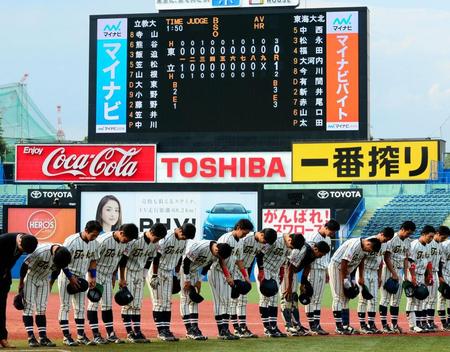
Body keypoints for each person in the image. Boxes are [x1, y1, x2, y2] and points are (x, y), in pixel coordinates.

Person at [86, 223, 138, 344]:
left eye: (130, 240)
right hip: (96, 274)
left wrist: (116, 276)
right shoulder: (102, 241)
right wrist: (91, 276)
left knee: (107, 306)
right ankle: (95, 335)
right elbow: (91, 259)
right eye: (127, 238)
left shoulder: (126, 243)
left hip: (108, 276)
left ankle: (110, 334)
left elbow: (119, 260)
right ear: (121, 233)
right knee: (93, 303)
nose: (128, 241)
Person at [118, 223, 167, 343]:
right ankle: (129, 332)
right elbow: (123, 260)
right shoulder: (135, 241)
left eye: (160, 239)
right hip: (128, 272)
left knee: (137, 304)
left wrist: (145, 275)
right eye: (157, 237)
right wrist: (122, 278)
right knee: (127, 303)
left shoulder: (154, 245)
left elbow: (149, 260)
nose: (157, 240)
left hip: (140, 274)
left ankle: (137, 331)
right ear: (150, 232)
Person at [148, 223, 196, 341]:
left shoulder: (184, 240)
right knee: (159, 302)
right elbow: (156, 258)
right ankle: (161, 331)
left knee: (167, 302)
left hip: (169, 272)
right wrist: (154, 275)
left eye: (187, 238)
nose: (184, 239)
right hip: (157, 271)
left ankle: (166, 330)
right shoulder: (165, 238)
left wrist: (177, 272)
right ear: (179, 230)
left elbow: (180, 256)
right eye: (184, 236)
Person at [58, 220, 102, 346]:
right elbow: (61, 260)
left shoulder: (95, 243)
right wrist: (70, 277)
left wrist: (92, 276)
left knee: (80, 307)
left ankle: (81, 336)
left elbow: (93, 260)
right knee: (65, 306)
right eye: (93, 234)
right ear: (86, 230)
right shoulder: (71, 241)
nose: (95, 237)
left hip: (82, 277)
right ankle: (66, 336)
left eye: (97, 235)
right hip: (67, 275)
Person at [209, 219, 254, 340]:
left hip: (229, 274)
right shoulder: (226, 238)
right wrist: (228, 276)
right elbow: (220, 259)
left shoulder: (240, 242)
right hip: (218, 272)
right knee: (221, 302)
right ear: (238, 227)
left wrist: (246, 277)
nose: (245, 235)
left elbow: (239, 261)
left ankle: (225, 330)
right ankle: (222, 331)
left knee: (227, 302)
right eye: (244, 232)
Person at [20, 244, 72, 347]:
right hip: (31, 278)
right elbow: (24, 265)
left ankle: (43, 337)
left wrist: (51, 282)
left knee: (41, 309)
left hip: (44, 280)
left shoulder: (63, 253)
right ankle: (31, 337)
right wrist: (21, 282)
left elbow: (58, 269)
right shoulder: (40, 251)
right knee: (28, 307)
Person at [255, 233, 305, 337]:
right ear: (290, 240)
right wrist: (261, 271)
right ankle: (267, 328)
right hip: (264, 269)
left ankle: (273, 327)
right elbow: (259, 254)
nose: (292, 249)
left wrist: (281, 273)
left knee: (274, 300)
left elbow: (284, 261)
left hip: (275, 271)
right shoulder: (275, 241)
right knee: (265, 298)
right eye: (292, 246)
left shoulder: (290, 246)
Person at [328, 236, 381, 335]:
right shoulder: (355, 244)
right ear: (368, 243)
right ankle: (338, 327)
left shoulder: (365, 249)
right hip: (337, 267)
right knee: (338, 297)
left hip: (347, 270)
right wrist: (344, 280)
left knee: (346, 298)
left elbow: (360, 262)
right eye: (369, 249)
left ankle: (345, 325)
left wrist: (355, 278)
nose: (369, 252)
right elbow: (344, 262)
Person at [181, 240, 232, 340]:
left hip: (194, 272)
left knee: (194, 300)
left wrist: (200, 279)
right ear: (216, 250)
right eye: (219, 257)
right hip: (184, 270)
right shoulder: (200, 247)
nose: (219, 259)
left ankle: (195, 328)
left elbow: (208, 265)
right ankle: (189, 330)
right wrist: (187, 280)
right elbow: (186, 262)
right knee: (186, 299)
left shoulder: (217, 252)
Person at [232, 228, 277, 338]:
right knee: (234, 300)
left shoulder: (261, 243)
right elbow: (235, 255)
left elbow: (258, 256)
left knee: (243, 300)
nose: (265, 243)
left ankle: (242, 327)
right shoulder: (245, 239)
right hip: (233, 269)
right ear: (261, 234)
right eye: (265, 240)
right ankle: (236, 328)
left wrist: (260, 270)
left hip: (244, 270)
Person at [280, 240, 331, 336]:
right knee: (287, 298)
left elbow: (307, 267)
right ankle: (288, 327)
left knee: (294, 298)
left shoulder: (313, 253)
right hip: (284, 269)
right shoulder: (303, 250)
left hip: (293, 272)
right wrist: (289, 287)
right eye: (321, 254)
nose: (322, 256)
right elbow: (290, 267)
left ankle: (296, 326)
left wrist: (303, 283)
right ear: (316, 249)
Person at [0, 233, 37, 348]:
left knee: (1, 308)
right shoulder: (3, 241)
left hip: (4, 279)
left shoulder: (27, 242)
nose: (23, 252)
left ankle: (2, 338)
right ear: (19, 241)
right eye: (23, 250)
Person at [304, 219, 340, 334]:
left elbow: (326, 257)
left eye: (334, 232)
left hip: (322, 269)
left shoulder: (328, 239)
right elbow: (308, 255)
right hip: (313, 269)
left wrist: (327, 272)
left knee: (318, 299)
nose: (332, 234)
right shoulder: (313, 237)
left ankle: (317, 325)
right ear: (325, 227)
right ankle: (312, 325)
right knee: (311, 298)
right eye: (331, 231)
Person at [379, 220, 416, 333]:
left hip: (399, 271)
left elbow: (405, 258)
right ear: (402, 229)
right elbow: (386, 257)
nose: (409, 235)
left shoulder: (408, 242)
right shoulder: (392, 239)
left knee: (396, 300)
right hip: (388, 270)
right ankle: (384, 325)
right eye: (408, 233)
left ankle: (394, 325)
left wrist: (405, 274)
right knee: (385, 299)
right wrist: (394, 273)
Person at [356, 227, 394, 334]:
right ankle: (362, 325)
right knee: (363, 299)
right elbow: (361, 260)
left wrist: (379, 276)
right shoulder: (369, 241)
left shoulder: (385, 244)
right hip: (364, 271)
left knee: (374, 299)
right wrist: (361, 276)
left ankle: (371, 325)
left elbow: (381, 261)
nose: (386, 241)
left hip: (374, 272)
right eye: (385, 239)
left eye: (388, 240)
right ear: (381, 234)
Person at [406, 225, 435, 333]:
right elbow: (410, 262)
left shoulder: (427, 246)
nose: (431, 239)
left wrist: (429, 275)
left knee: (420, 299)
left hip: (421, 275)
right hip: (412, 274)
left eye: (432, 237)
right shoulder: (414, 245)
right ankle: (412, 325)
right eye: (430, 236)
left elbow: (428, 262)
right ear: (423, 234)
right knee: (412, 300)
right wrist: (412, 277)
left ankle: (418, 324)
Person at [425, 225, 449, 331]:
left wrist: (439, 276)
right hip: (427, 273)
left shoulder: (439, 245)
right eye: (443, 237)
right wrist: (428, 274)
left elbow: (439, 262)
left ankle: (431, 322)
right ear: (437, 234)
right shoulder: (429, 244)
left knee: (433, 299)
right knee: (429, 299)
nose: (444, 240)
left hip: (436, 273)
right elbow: (426, 260)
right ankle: (426, 322)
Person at [437, 226, 450, 330]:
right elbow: (439, 262)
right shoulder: (444, 245)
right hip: (444, 274)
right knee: (442, 298)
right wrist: (440, 276)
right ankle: (443, 323)